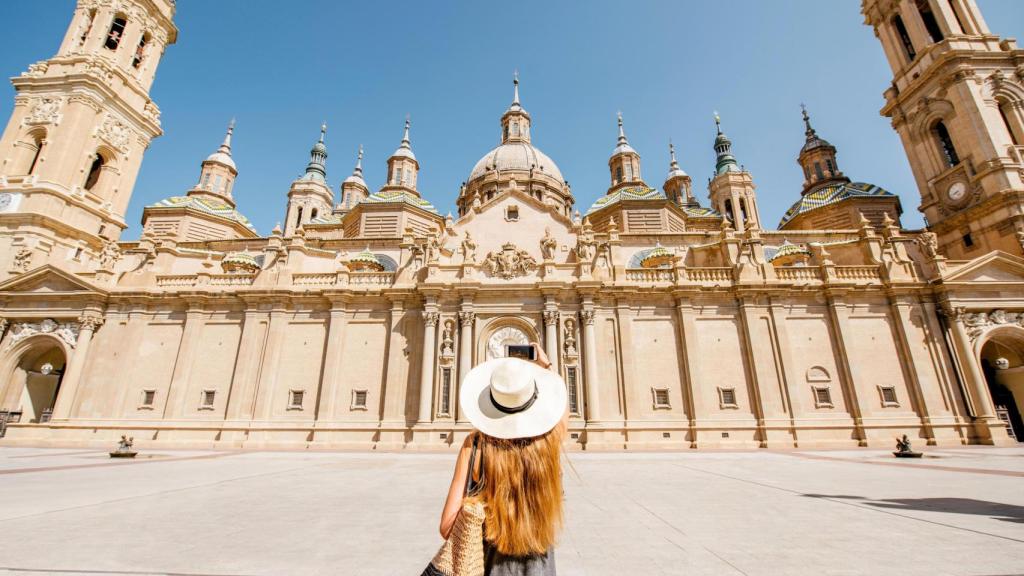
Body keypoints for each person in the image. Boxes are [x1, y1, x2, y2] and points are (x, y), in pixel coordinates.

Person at [426, 343, 567, 576]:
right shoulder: (548, 445)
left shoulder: (474, 447)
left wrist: (482, 503)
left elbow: (447, 527)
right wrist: (546, 366)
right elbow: (561, 413)